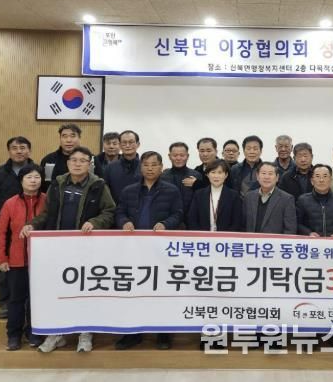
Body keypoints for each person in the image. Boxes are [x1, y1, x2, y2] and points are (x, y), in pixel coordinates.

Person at [21, 146, 116, 353]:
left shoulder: (98, 185)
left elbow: (109, 211)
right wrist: (32, 225)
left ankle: (85, 333)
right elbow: (47, 213)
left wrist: (95, 222)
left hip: (86, 248)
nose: (78, 164)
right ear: (68, 163)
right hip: (59, 248)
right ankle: (57, 333)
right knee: (58, 290)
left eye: (83, 160)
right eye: (74, 160)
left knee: (85, 290)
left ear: (89, 164)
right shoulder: (57, 184)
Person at [114, 151, 183, 350]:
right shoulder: (129, 190)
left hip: (160, 249)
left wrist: (165, 224)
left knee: (162, 290)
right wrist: (124, 221)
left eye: (154, 164)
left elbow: (178, 213)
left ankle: (163, 333)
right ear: (141, 167)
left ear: (161, 167)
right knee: (134, 290)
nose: (150, 168)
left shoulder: (171, 190)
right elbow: (119, 211)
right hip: (134, 249)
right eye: (146, 164)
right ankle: (132, 333)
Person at [0, 163, 46, 351]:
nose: (33, 181)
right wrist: (1, 258)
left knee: (37, 299)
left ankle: (34, 332)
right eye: (29, 177)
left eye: (37, 177)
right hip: (17, 260)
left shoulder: (48, 200)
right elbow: (1, 233)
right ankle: (13, 335)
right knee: (16, 299)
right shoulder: (10, 203)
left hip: (42, 261)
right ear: (21, 180)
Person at [0, 136, 33, 319]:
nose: (19, 151)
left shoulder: (37, 170)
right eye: (14, 148)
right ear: (9, 151)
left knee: (29, 264)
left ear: (29, 150)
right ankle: (4, 301)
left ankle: (27, 300)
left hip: (31, 228)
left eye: (23, 147)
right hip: (6, 227)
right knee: (4, 265)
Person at [297, 164, 333, 237]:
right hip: (311, 242)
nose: (321, 180)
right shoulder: (303, 200)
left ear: (331, 180)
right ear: (312, 181)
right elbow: (297, 223)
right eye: (317, 176)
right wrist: (308, 233)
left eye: (325, 176)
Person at [188, 159, 244, 232]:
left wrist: (224, 236)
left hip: (226, 237)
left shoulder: (234, 195)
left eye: (220, 172)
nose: (216, 176)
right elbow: (192, 219)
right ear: (207, 175)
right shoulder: (199, 194)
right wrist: (201, 235)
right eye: (213, 172)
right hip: (202, 236)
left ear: (226, 175)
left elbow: (236, 222)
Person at [244, 162, 297, 234]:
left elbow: (290, 229)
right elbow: (243, 225)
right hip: (251, 240)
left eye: (270, 174)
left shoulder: (287, 199)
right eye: (263, 173)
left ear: (277, 178)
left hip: (275, 241)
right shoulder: (249, 197)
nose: (267, 177)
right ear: (257, 176)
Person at [161, 142, 202, 220]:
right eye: (175, 155)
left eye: (182, 155)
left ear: (187, 156)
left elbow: (200, 200)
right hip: (168, 219)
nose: (178, 158)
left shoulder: (196, 175)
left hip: (191, 219)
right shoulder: (163, 176)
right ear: (169, 156)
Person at [39, 124, 82, 192]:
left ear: (79, 138)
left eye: (73, 136)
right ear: (60, 139)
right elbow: (42, 187)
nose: (68, 140)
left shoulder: (91, 160)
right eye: (64, 136)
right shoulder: (48, 160)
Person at [103, 130, 141, 205]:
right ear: (120, 145)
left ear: (138, 144)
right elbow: (105, 194)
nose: (127, 145)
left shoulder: (145, 166)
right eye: (124, 142)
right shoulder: (110, 168)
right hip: (116, 209)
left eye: (131, 142)